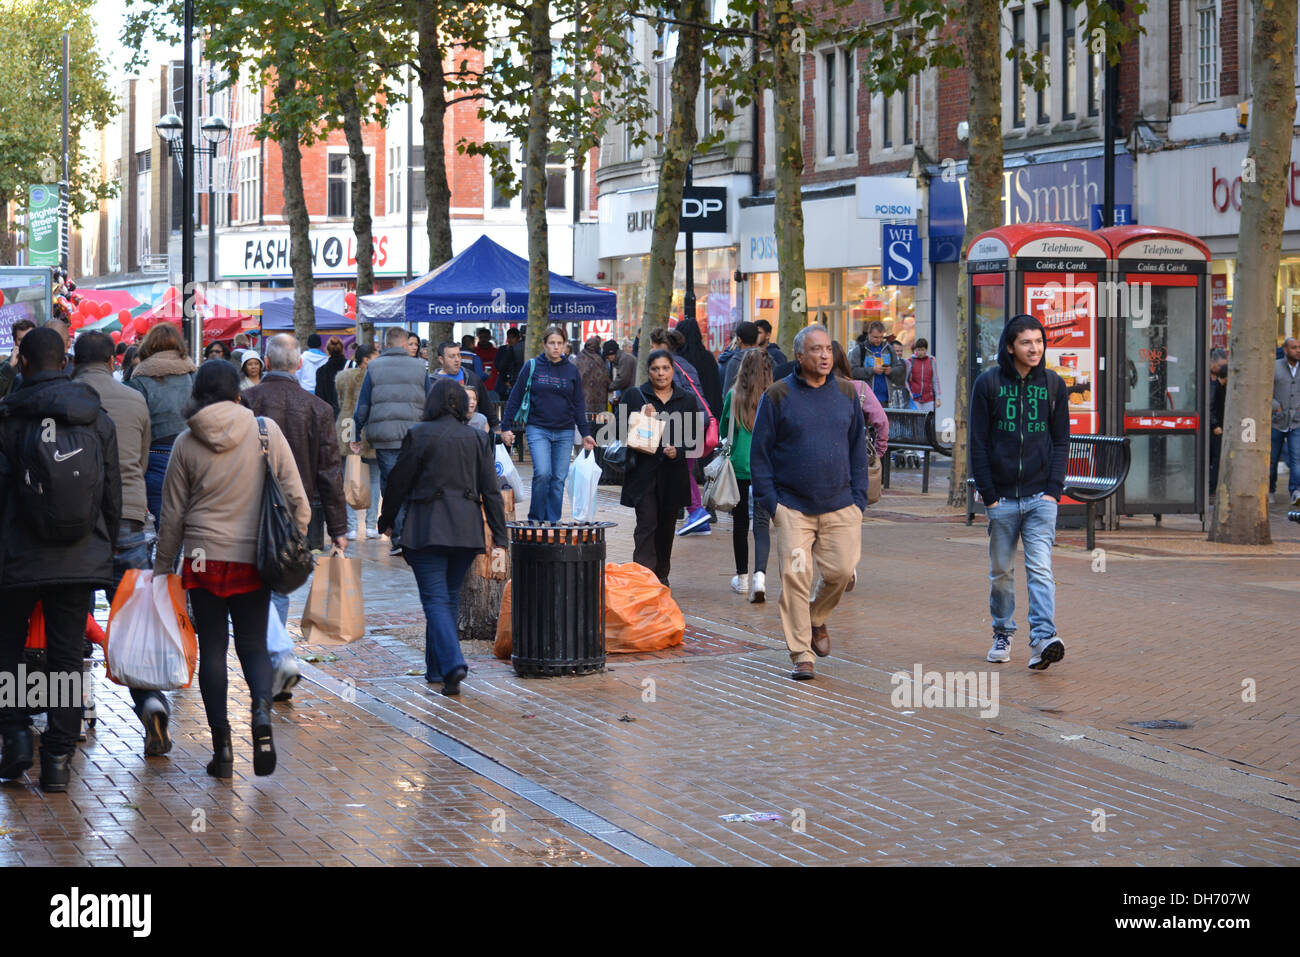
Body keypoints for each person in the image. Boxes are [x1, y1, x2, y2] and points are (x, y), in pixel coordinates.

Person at [154, 360, 309, 778]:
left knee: (215, 651)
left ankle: (222, 749)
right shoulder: (264, 431)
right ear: (239, 392)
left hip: (203, 560)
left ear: (199, 396)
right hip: (253, 558)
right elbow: (297, 498)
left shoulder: (187, 442)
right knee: (254, 646)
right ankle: (261, 716)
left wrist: (162, 568)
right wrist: (296, 539)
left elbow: (172, 516)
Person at [0, 328, 121, 792]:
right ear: (65, 360)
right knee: (68, 656)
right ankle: (56, 759)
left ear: (24, 363)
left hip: (18, 556)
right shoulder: (96, 418)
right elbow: (113, 494)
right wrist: (104, 550)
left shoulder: (8, 419)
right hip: (79, 555)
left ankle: (14, 736)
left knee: (7, 648)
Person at [751, 323, 868, 682]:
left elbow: (857, 448)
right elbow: (760, 455)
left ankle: (817, 617)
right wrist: (773, 504)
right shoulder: (778, 396)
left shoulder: (847, 394)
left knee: (842, 571)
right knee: (796, 577)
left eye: (828, 350)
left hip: (840, 505)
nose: (824, 355)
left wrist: (859, 499)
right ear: (799, 356)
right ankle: (802, 653)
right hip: (793, 510)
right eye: (815, 350)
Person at [72, 332, 170, 756]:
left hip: (73, 527)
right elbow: (143, 462)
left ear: (75, 361)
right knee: (131, 624)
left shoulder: (65, 397)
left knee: (68, 620)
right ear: (114, 360)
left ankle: (70, 710)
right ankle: (149, 699)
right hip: (129, 520)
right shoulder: (134, 398)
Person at [378, 379, 507, 695]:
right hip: (465, 529)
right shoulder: (477, 438)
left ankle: (452, 663)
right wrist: (500, 538)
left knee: (436, 599)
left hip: (427, 527)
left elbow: (398, 482)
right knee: (446, 597)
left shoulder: (418, 435)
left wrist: (387, 519)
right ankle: (437, 669)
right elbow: (491, 490)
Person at [245, 334, 349, 692]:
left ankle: (274, 656)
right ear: (299, 365)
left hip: (247, 507)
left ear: (266, 363)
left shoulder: (247, 401)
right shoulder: (319, 408)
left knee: (251, 586)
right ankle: (279, 660)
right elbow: (329, 472)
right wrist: (338, 527)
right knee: (279, 585)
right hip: (295, 510)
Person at [970, 313, 1070, 671]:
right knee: (1001, 573)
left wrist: (1053, 491)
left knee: (1041, 569)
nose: (1035, 348)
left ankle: (1043, 639)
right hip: (1003, 500)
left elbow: (1061, 442)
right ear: (1011, 346)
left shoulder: (1054, 386)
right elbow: (978, 444)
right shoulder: (988, 384)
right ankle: (1002, 631)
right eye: (1027, 342)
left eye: (1039, 342)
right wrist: (991, 496)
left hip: (1040, 497)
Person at [499, 324, 595, 522]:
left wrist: (585, 433)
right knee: (543, 473)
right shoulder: (532, 366)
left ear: (566, 345)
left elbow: (578, 403)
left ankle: (552, 521)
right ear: (544, 344)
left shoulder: (571, 370)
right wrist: (505, 427)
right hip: (538, 428)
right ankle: (536, 518)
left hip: (565, 431)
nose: (556, 347)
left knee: (558, 478)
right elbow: (515, 397)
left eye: (560, 343)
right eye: (551, 343)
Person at [618, 350, 696, 586]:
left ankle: (661, 575)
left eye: (665, 368)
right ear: (648, 371)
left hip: (672, 475)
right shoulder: (635, 395)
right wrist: (641, 417)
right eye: (655, 369)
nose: (661, 373)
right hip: (643, 474)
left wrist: (678, 450)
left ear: (673, 370)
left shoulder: (686, 399)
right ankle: (643, 577)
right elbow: (619, 432)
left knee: (666, 527)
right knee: (646, 523)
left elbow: (692, 439)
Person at [351, 326, 430, 554]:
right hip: (415, 435)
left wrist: (357, 433)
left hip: (384, 437)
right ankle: (411, 534)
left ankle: (398, 536)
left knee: (391, 483)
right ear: (406, 344)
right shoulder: (419, 367)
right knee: (413, 482)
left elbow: (363, 404)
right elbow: (429, 398)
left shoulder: (374, 366)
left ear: (385, 344)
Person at [127, 322, 197, 531]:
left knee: (162, 528)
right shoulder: (193, 376)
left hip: (155, 457)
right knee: (189, 529)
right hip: (191, 456)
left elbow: (134, 425)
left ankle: (163, 563)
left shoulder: (139, 380)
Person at [722, 348, 774, 603]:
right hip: (766, 467)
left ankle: (741, 577)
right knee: (762, 524)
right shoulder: (776, 396)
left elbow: (724, 433)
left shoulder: (733, 396)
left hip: (739, 467)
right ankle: (760, 576)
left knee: (740, 523)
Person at [650, 327, 710, 536]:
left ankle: (696, 511)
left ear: (659, 346)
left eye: (652, 346)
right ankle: (698, 517)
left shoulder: (665, 367)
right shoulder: (686, 365)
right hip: (700, 419)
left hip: (684, 419)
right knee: (684, 467)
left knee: (680, 468)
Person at [336, 343, 381, 540]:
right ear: (366, 359)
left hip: (347, 426)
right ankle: (372, 525)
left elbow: (339, 400)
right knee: (374, 477)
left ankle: (351, 526)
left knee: (348, 477)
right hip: (371, 425)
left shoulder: (343, 377)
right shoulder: (377, 377)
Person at [432, 340, 500, 432]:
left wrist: (496, 428)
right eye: (452, 356)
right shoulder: (432, 382)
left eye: (458, 355)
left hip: (471, 435)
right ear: (441, 359)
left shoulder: (472, 378)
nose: (457, 360)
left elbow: (486, 405)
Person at [1272, 338, 1300, 505]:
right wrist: (1276, 407)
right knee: (1272, 460)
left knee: (1297, 459)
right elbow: (1266, 389)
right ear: (1285, 350)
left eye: (1299, 347)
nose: (1298, 350)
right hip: (1276, 421)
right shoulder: (1275, 367)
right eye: (1294, 347)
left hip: (1297, 422)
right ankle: (1269, 490)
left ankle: (1296, 491)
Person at [851, 320, 893, 407]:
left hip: (887, 400)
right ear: (868, 334)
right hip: (866, 399)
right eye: (876, 337)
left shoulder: (889, 349)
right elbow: (852, 371)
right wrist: (872, 370)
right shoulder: (859, 350)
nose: (879, 340)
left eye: (881, 337)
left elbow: (899, 367)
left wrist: (891, 370)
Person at [576, 335, 611, 420]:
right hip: (599, 400)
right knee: (597, 425)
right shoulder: (599, 360)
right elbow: (605, 377)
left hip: (582, 397)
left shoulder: (579, 358)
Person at [721, 320, 760, 395]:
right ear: (757, 338)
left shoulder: (735, 362)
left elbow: (727, 394)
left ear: (739, 340)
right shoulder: (768, 359)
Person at [0, 318, 36, 397]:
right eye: (21, 339)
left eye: (29, 337)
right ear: (15, 342)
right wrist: (10, 367)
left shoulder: (46, 361)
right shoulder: (6, 366)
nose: (26, 342)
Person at [1209, 348, 1228, 492]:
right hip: (1213, 428)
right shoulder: (1214, 387)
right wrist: (1215, 424)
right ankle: (1211, 486)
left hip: (1218, 427)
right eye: (1219, 365)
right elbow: (1209, 407)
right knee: (1214, 458)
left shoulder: (1219, 387)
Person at [313, 335, 347, 415]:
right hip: (348, 416)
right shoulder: (352, 366)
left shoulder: (321, 371)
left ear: (327, 351)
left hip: (329, 415)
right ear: (343, 350)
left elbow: (320, 398)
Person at [906, 338, 940, 412]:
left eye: (922, 350)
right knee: (916, 420)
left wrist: (938, 398)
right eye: (918, 350)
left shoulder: (931, 361)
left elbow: (935, 380)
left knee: (928, 421)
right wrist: (909, 392)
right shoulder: (911, 361)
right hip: (915, 398)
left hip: (928, 398)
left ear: (926, 350)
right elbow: (905, 380)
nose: (920, 352)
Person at [494, 327, 524, 403]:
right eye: (509, 337)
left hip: (515, 381)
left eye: (513, 337)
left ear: (518, 338)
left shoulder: (521, 350)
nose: (510, 340)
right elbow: (498, 365)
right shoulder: (502, 349)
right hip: (503, 382)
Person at [887, 340, 910, 408]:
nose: (899, 353)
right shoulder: (886, 363)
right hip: (890, 396)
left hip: (902, 395)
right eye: (897, 351)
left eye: (901, 351)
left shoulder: (905, 362)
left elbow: (907, 380)